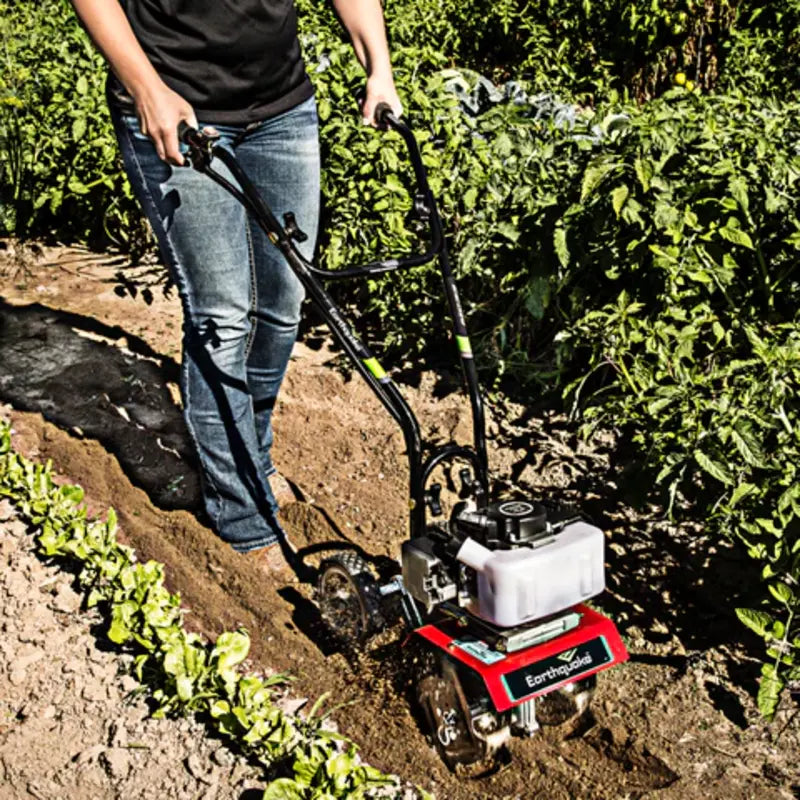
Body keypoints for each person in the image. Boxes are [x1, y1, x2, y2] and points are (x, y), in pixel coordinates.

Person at [68, 0, 402, 578]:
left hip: (282, 109)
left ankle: (252, 456)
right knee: (223, 316)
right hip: (178, 109)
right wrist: (145, 88)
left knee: (282, 305)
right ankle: (243, 519)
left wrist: (379, 68)